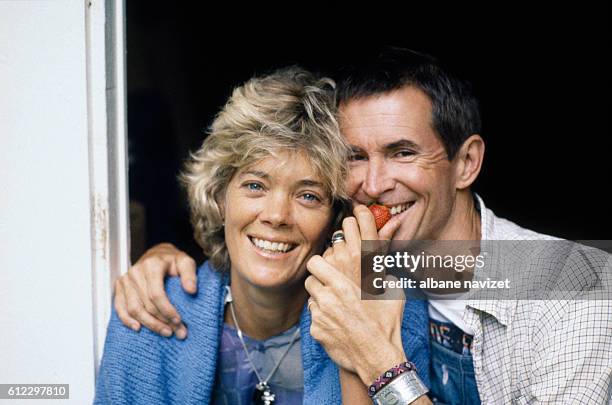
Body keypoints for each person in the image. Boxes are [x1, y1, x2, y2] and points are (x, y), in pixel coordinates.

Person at [114, 49, 612, 404]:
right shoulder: (363, 262)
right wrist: (163, 252)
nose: (374, 183)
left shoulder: (571, 282)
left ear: (467, 162)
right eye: (355, 158)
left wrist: (373, 355)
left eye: (402, 152)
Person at [95, 66, 430, 405]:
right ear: (220, 195)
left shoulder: (392, 314)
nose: (276, 216)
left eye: (308, 195)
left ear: (335, 220)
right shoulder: (148, 312)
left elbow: (475, 267)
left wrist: (357, 344)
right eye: (255, 186)